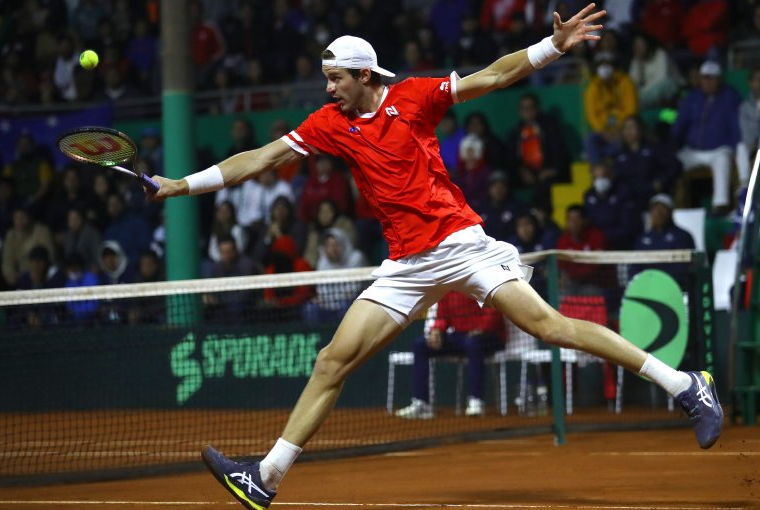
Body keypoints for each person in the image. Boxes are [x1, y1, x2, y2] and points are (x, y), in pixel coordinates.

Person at [152, 9, 723, 508]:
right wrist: (181, 185)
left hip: (461, 245)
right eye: (326, 80)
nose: (328, 90)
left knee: (548, 326)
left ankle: (684, 385)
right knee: (332, 361)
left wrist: (554, 46)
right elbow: (260, 158)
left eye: (335, 80)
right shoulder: (330, 123)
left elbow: (495, 76)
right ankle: (266, 477)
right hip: (405, 265)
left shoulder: (414, 96)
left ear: (364, 76)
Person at [396, 290, 506, 419]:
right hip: (461, 337)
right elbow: (442, 317)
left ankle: (476, 401)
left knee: (472, 343)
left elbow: (495, 310)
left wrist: (482, 328)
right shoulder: (447, 289)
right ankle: (422, 404)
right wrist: (436, 330)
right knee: (421, 345)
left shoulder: (480, 284)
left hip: (490, 336)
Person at [671, 60, 741, 215]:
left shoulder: (730, 96)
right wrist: (673, 146)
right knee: (673, 162)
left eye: (712, 78)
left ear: (719, 79)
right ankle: (676, 207)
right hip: (693, 150)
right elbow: (680, 124)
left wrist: (736, 149)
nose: (708, 82)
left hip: (718, 149)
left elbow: (735, 126)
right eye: (705, 78)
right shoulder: (692, 98)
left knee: (722, 160)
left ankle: (720, 204)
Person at [584, 51, 638, 165]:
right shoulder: (593, 87)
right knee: (589, 139)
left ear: (614, 66)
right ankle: (599, 171)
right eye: (601, 65)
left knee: (619, 144)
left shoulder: (625, 82)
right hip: (603, 131)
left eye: (607, 64)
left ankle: (611, 164)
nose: (604, 68)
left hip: (623, 129)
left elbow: (631, 110)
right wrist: (603, 131)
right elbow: (592, 115)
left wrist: (620, 129)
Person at [632, 193, 696, 287]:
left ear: (670, 212)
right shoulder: (643, 238)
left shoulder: (682, 236)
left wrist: (661, 281)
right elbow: (635, 265)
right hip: (646, 286)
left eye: (662, 208)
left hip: (674, 287)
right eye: (655, 209)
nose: (658, 212)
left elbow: (684, 267)